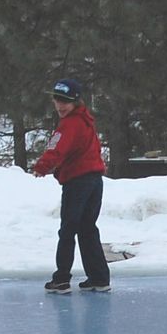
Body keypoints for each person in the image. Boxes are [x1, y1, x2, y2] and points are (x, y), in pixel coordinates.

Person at [33, 79, 111, 294]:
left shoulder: (70, 124)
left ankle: (61, 279)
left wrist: (42, 167)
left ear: (76, 101)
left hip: (78, 182)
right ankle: (99, 278)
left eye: (65, 102)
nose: (60, 106)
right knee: (87, 229)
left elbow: (56, 150)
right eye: (57, 100)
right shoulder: (86, 120)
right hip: (95, 180)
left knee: (68, 229)